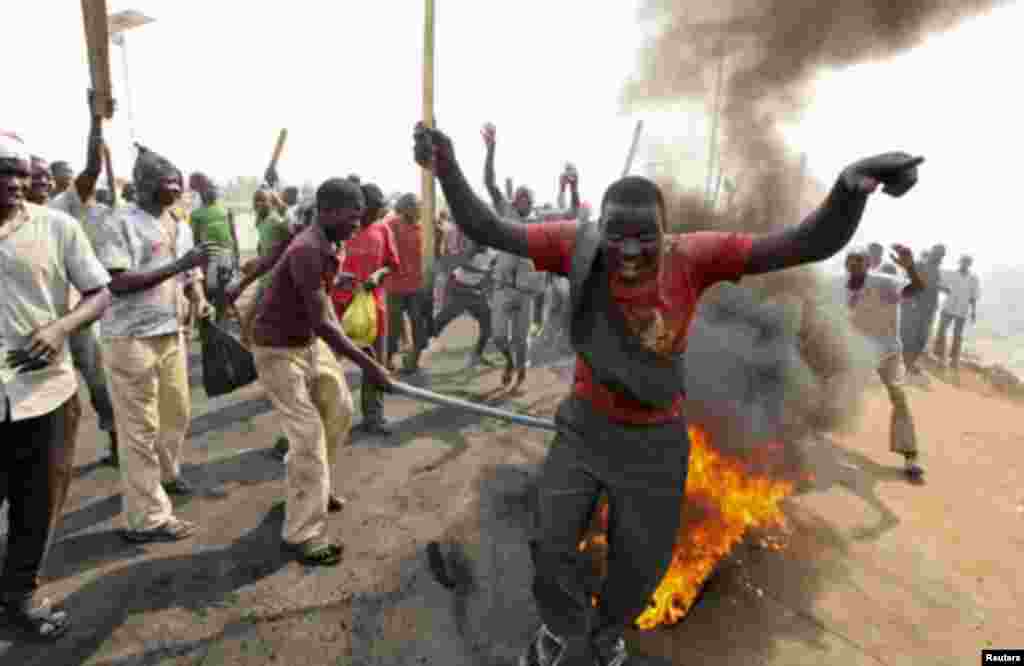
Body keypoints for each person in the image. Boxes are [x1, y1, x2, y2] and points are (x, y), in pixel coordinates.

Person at [413, 121, 923, 666]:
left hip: (656, 438)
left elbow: (804, 243)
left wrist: (849, 191)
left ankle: (608, 632)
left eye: (644, 237)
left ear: (666, 230)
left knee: (644, 563)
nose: (630, 251)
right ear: (598, 229)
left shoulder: (696, 256)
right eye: (617, 236)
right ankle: (561, 630)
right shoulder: (574, 246)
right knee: (551, 543)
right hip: (584, 427)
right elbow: (487, 227)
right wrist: (446, 168)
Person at [225, 178, 392, 566]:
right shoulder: (306, 249)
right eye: (353, 216)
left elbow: (321, 306)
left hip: (308, 343)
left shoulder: (332, 242)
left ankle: (317, 487)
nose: (358, 223)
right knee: (307, 438)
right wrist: (369, 366)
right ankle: (303, 532)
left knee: (340, 409)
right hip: (277, 350)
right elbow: (322, 321)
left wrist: (356, 347)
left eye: (361, 215)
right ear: (328, 211)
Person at [0, 133, 112, 640]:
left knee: (37, 504)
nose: (18, 182)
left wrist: (59, 329)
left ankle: (19, 594)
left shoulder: (57, 226)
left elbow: (98, 292)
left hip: (45, 393)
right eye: (6, 170)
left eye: (22, 171)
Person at [94, 145, 219, 543]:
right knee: (139, 430)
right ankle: (146, 517)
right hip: (130, 339)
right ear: (144, 186)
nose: (176, 189)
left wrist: (197, 295)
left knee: (176, 413)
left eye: (178, 183)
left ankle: (165, 475)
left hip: (171, 332)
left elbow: (190, 270)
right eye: (168, 183)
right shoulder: (119, 223)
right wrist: (180, 267)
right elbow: (118, 282)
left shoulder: (178, 223)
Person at [47, 91, 120, 466]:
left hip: (75, 312)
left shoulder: (62, 208)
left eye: (53, 179)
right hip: (31, 319)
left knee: (96, 378)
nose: (46, 183)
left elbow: (91, 170)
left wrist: (94, 121)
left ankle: (115, 435)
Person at [840, 245, 925, 481]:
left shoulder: (883, 283)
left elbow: (916, 288)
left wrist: (910, 267)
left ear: (869, 264)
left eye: (860, 260)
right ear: (846, 264)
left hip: (889, 352)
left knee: (899, 396)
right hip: (860, 353)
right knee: (837, 390)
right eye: (851, 260)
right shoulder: (840, 286)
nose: (854, 264)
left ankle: (910, 456)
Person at [481, 123, 550, 387]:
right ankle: (509, 361)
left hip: (525, 291)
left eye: (526, 198)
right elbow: (489, 183)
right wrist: (491, 149)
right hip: (502, 287)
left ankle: (520, 367)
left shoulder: (540, 223)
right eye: (518, 198)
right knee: (499, 336)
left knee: (521, 340)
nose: (521, 201)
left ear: (531, 203)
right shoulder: (505, 212)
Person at [331, 183, 399, 435]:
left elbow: (392, 263)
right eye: (372, 207)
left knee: (374, 364)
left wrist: (378, 274)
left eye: (379, 207)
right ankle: (322, 420)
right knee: (326, 363)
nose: (376, 212)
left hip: (373, 308)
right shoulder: (342, 230)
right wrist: (338, 277)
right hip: (338, 307)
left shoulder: (383, 229)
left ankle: (374, 417)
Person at [241, 188, 293, 461]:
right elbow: (266, 249)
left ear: (272, 203)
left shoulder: (275, 221)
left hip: (272, 280)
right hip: (264, 277)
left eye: (262, 199)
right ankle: (260, 368)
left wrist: (261, 265)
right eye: (255, 199)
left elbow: (280, 248)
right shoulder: (262, 221)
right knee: (250, 324)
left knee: (254, 323)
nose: (258, 203)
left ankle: (264, 370)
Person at [432, 239, 498, 368]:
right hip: (460, 289)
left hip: (474, 292)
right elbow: (461, 264)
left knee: (488, 322)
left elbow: (491, 272)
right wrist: (483, 271)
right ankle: (419, 345)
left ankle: (477, 355)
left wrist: (487, 279)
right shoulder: (472, 250)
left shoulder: (493, 253)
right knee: (442, 320)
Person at [385, 194, 431, 374]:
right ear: (404, 208)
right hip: (395, 285)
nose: (419, 209)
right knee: (393, 327)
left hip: (417, 287)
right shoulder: (391, 226)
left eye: (420, 205)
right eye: (415, 206)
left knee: (419, 325)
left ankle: (413, 362)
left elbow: (434, 254)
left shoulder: (425, 227)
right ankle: (387, 360)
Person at [189, 173, 240, 321]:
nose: (210, 191)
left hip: (226, 255)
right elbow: (195, 239)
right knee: (210, 289)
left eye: (212, 188)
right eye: (207, 189)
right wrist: (197, 262)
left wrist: (236, 254)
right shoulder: (196, 214)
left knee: (225, 288)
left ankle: (221, 318)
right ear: (201, 193)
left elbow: (232, 233)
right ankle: (209, 321)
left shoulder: (225, 210)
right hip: (209, 258)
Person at [901, 243, 945, 373]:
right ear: (932, 252)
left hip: (929, 309)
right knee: (909, 337)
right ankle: (905, 364)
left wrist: (940, 289)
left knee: (922, 339)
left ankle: (910, 363)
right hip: (914, 307)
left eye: (941, 255)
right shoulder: (919, 264)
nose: (939, 257)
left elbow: (932, 286)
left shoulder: (936, 270)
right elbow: (908, 282)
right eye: (937, 253)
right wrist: (911, 301)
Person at [933, 253, 980, 371]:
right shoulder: (950, 273)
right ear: (960, 262)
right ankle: (938, 354)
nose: (965, 264)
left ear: (969, 264)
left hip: (962, 309)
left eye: (967, 263)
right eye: (963, 262)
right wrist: (944, 290)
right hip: (948, 306)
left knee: (957, 335)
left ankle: (953, 358)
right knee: (941, 330)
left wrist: (973, 311)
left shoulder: (973, 278)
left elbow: (973, 296)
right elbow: (938, 283)